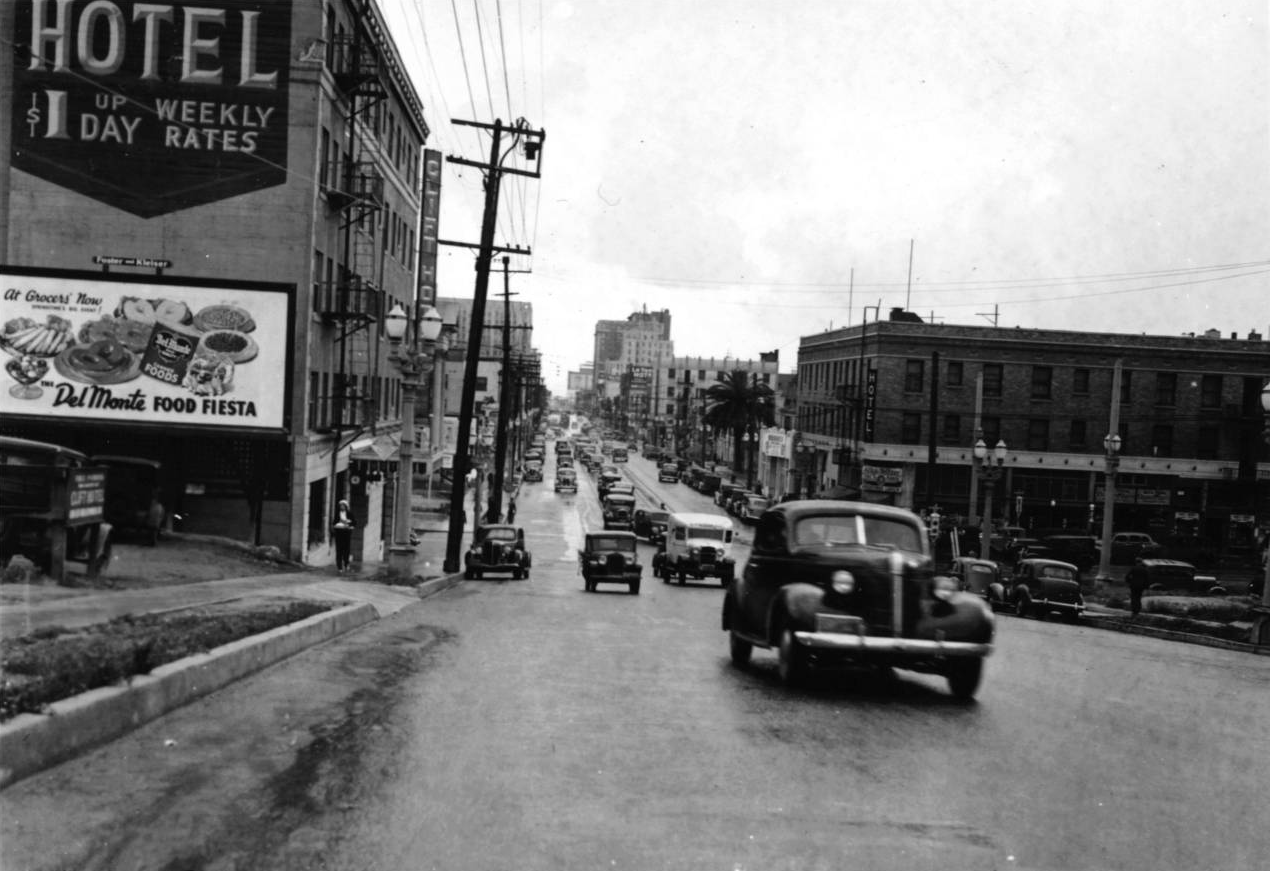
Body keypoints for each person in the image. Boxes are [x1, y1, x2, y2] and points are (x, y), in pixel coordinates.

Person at [332, 499, 355, 572]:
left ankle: (346, 564)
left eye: (343, 506)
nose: (341, 507)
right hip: (339, 533)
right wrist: (337, 525)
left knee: (346, 550)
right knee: (339, 550)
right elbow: (334, 523)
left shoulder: (349, 514)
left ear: (346, 507)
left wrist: (349, 524)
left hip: (346, 533)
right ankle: (339, 567)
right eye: (340, 506)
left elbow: (354, 523)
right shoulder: (337, 514)